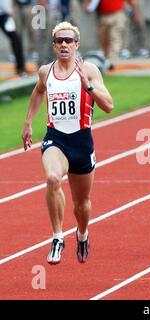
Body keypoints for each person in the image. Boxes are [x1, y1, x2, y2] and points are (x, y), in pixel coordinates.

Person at [21, 21, 113, 264]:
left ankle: (82, 234)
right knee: (52, 178)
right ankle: (57, 236)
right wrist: (28, 122)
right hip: (56, 138)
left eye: (68, 41)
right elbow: (39, 90)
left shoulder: (89, 70)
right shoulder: (45, 71)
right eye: (59, 40)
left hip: (82, 142)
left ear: (76, 45)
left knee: (81, 204)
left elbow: (109, 106)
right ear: (54, 45)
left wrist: (88, 86)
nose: (64, 44)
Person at [0, 0, 26, 76]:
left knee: (16, 39)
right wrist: (10, 12)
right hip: (4, 15)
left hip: (6, 14)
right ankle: (20, 68)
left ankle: (20, 68)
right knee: (16, 39)